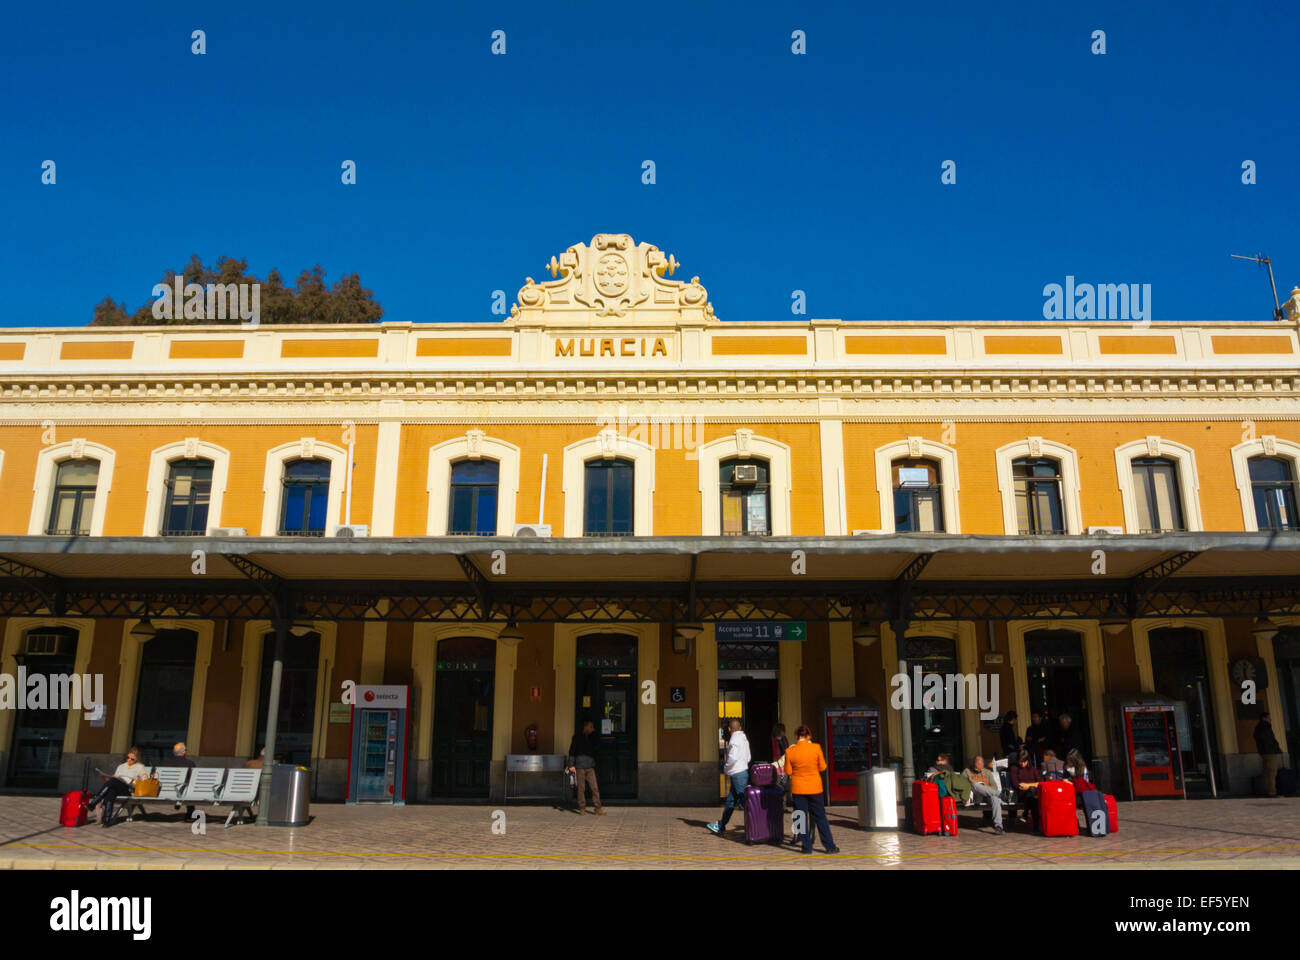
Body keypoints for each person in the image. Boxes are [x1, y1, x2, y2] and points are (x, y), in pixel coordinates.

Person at [784, 724, 838, 854]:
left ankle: (806, 847)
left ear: (796, 736)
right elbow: (823, 767)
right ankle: (829, 846)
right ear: (809, 736)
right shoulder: (816, 748)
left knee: (801, 818)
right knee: (820, 817)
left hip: (798, 788)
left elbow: (788, 771)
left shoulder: (789, 751)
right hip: (815, 787)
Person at [86, 746, 149, 828]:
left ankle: (93, 803)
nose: (129, 760)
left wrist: (133, 782)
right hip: (117, 787)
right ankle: (106, 821)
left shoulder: (140, 767)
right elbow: (115, 778)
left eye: (132, 759)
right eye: (127, 757)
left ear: (137, 759)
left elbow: (144, 781)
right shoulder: (121, 766)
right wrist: (106, 778)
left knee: (112, 783)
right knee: (111, 791)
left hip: (128, 790)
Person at [707, 719, 751, 835]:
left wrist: (726, 768)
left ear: (729, 729)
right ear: (740, 728)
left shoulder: (734, 740)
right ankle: (721, 825)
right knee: (731, 801)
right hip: (743, 772)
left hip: (737, 774)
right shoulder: (744, 739)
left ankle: (755, 826)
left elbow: (732, 758)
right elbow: (748, 757)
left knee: (744, 803)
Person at [567, 719, 605, 815]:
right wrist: (571, 765)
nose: (592, 729)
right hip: (580, 766)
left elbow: (597, 747)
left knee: (594, 787)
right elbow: (572, 751)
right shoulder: (576, 737)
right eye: (591, 727)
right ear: (586, 727)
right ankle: (582, 808)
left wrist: (594, 735)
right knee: (581, 788)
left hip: (590, 766)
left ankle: (598, 808)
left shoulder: (593, 737)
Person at [962, 755, 1004, 834]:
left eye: (981, 765)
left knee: (995, 799)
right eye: (977, 765)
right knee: (975, 784)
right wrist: (971, 783)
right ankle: (1001, 795)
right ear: (973, 764)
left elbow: (994, 787)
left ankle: (998, 826)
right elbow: (961, 785)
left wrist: (986, 786)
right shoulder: (967, 771)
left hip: (987, 795)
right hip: (975, 796)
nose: (979, 768)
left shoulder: (987, 772)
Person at [1007, 749, 1040, 828]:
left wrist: (1028, 785)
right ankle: (1035, 826)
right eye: (1020, 761)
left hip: (1032, 794)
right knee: (1032, 796)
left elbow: (1040, 782)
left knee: (1032, 795)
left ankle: (1025, 814)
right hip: (1020, 794)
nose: (1022, 764)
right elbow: (1016, 784)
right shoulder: (1014, 768)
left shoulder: (1033, 769)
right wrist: (1029, 786)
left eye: (1024, 761)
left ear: (1028, 760)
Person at [1255, 712, 1283, 797]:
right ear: (1264, 718)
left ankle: (1267, 790)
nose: (1270, 719)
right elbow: (1270, 740)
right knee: (1272, 772)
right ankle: (1272, 792)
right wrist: (1276, 748)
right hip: (1270, 752)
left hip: (1263, 752)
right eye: (1268, 718)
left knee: (1266, 772)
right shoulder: (1266, 727)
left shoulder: (1258, 727)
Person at [172, 741, 196, 820]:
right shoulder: (190, 764)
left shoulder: (165, 763)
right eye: (185, 750)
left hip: (168, 790)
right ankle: (190, 812)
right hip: (183, 790)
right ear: (183, 752)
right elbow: (193, 779)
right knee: (189, 786)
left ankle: (178, 801)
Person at [771, 722, 792, 808]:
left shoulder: (784, 739)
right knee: (778, 785)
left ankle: (784, 805)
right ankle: (778, 805)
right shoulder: (773, 740)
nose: (784, 732)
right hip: (777, 765)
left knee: (786, 786)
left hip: (785, 764)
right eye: (783, 730)